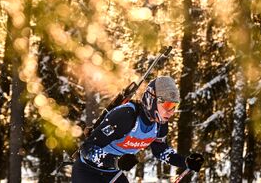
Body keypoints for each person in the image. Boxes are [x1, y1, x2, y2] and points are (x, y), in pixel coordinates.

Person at [71, 76, 204, 182]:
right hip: (87, 171)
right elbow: (87, 148)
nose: (171, 112)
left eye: (174, 106)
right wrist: (116, 162)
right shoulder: (126, 116)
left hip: (111, 172)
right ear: (152, 100)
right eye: (168, 105)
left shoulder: (160, 124)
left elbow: (160, 150)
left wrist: (185, 162)